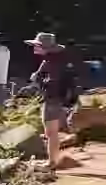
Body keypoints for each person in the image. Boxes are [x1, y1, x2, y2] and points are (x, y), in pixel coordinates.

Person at [28, 31, 78, 171]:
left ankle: (51, 162)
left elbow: (51, 83)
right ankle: (53, 160)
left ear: (45, 48)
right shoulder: (55, 60)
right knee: (52, 133)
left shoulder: (51, 62)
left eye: (37, 45)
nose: (34, 47)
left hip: (52, 100)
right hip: (57, 99)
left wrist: (37, 81)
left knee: (51, 133)